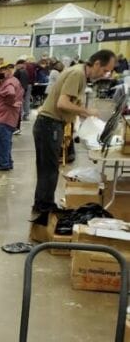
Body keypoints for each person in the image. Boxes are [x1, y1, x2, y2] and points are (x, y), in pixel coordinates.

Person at [32, 50, 115, 219]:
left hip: (51, 124)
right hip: (50, 124)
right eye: (105, 70)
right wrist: (86, 111)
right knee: (49, 170)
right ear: (97, 63)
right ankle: (45, 207)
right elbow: (62, 103)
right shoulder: (77, 74)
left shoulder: (80, 74)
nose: (106, 74)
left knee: (46, 168)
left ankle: (42, 203)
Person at [0, 63, 23, 172]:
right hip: (7, 117)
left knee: (2, 141)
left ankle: (3, 163)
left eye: (2, 70)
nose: (0, 73)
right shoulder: (12, 81)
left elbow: (11, 94)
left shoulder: (9, 83)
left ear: (9, 70)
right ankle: (7, 161)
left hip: (4, 117)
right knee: (6, 141)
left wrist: (10, 103)